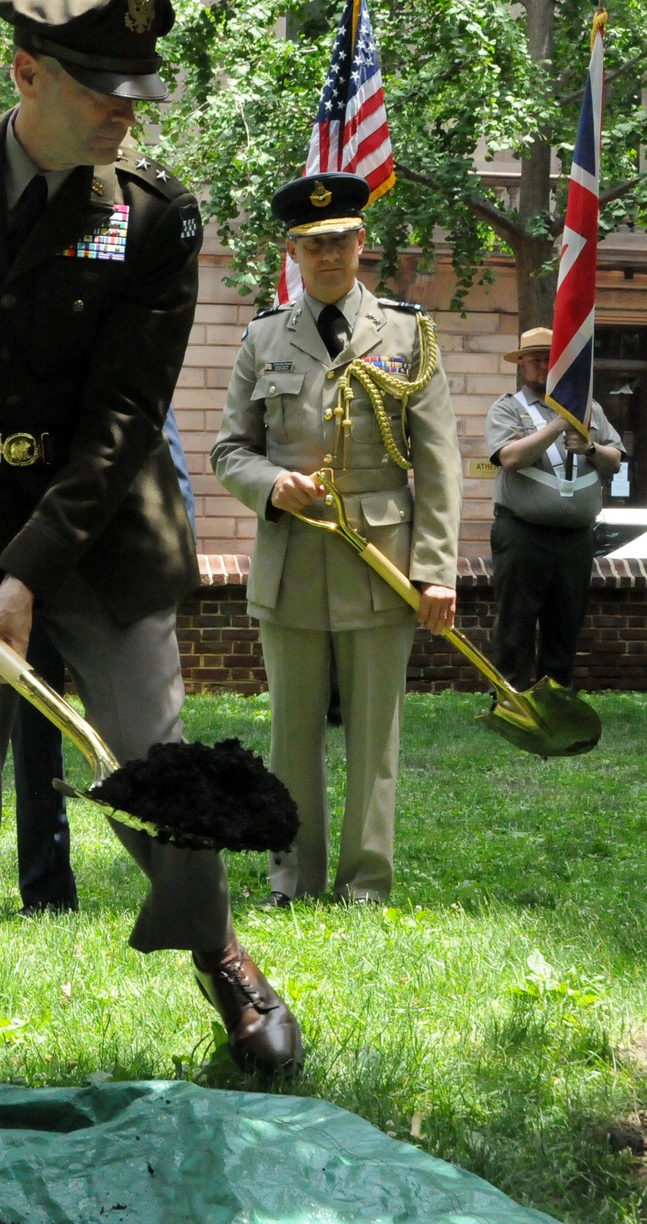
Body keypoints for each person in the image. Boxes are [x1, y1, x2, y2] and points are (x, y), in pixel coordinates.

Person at [0, 0, 303, 1104]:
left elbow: (124, 417)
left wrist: (30, 575)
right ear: (27, 75)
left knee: (152, 769)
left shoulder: (155, 215)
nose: (123, 111)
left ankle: (220, 957)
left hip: (101, 526)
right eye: (100, 89)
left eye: (136, 92)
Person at [211, 172, 462, 908]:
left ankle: (364, 885)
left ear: (362, 243)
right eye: (313, 243)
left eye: (341, 240)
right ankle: (292, 879)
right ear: (293, 250)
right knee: (291, 740)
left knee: (373, 741)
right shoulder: (263, 338)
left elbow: (441, 460)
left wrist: (437, 571)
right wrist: (271, 485)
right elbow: (230, 450)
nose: (329, 254)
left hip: (381, 562)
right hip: (291, 561)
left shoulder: (408, 335)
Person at [10, 406, 195, 919]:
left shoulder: (123, 368)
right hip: (18, 573)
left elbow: (165, 469)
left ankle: (187, 886)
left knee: (138, 738)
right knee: (32, 733)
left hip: (108, 576)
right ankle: (45, 889)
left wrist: (173, 560)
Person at [485, 326, 623, 692]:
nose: (542, 365)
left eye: (550, 358)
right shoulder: (507, 408)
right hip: (522, 533)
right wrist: (561, 421)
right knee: (515, 623)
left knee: (565, 624)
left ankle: (556, 701)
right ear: (522, 366)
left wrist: (590, 446)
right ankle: (512, 703)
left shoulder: (591, 410)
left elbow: (615, 460)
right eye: (534, 359)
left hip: (575, 538)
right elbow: (510, 457)